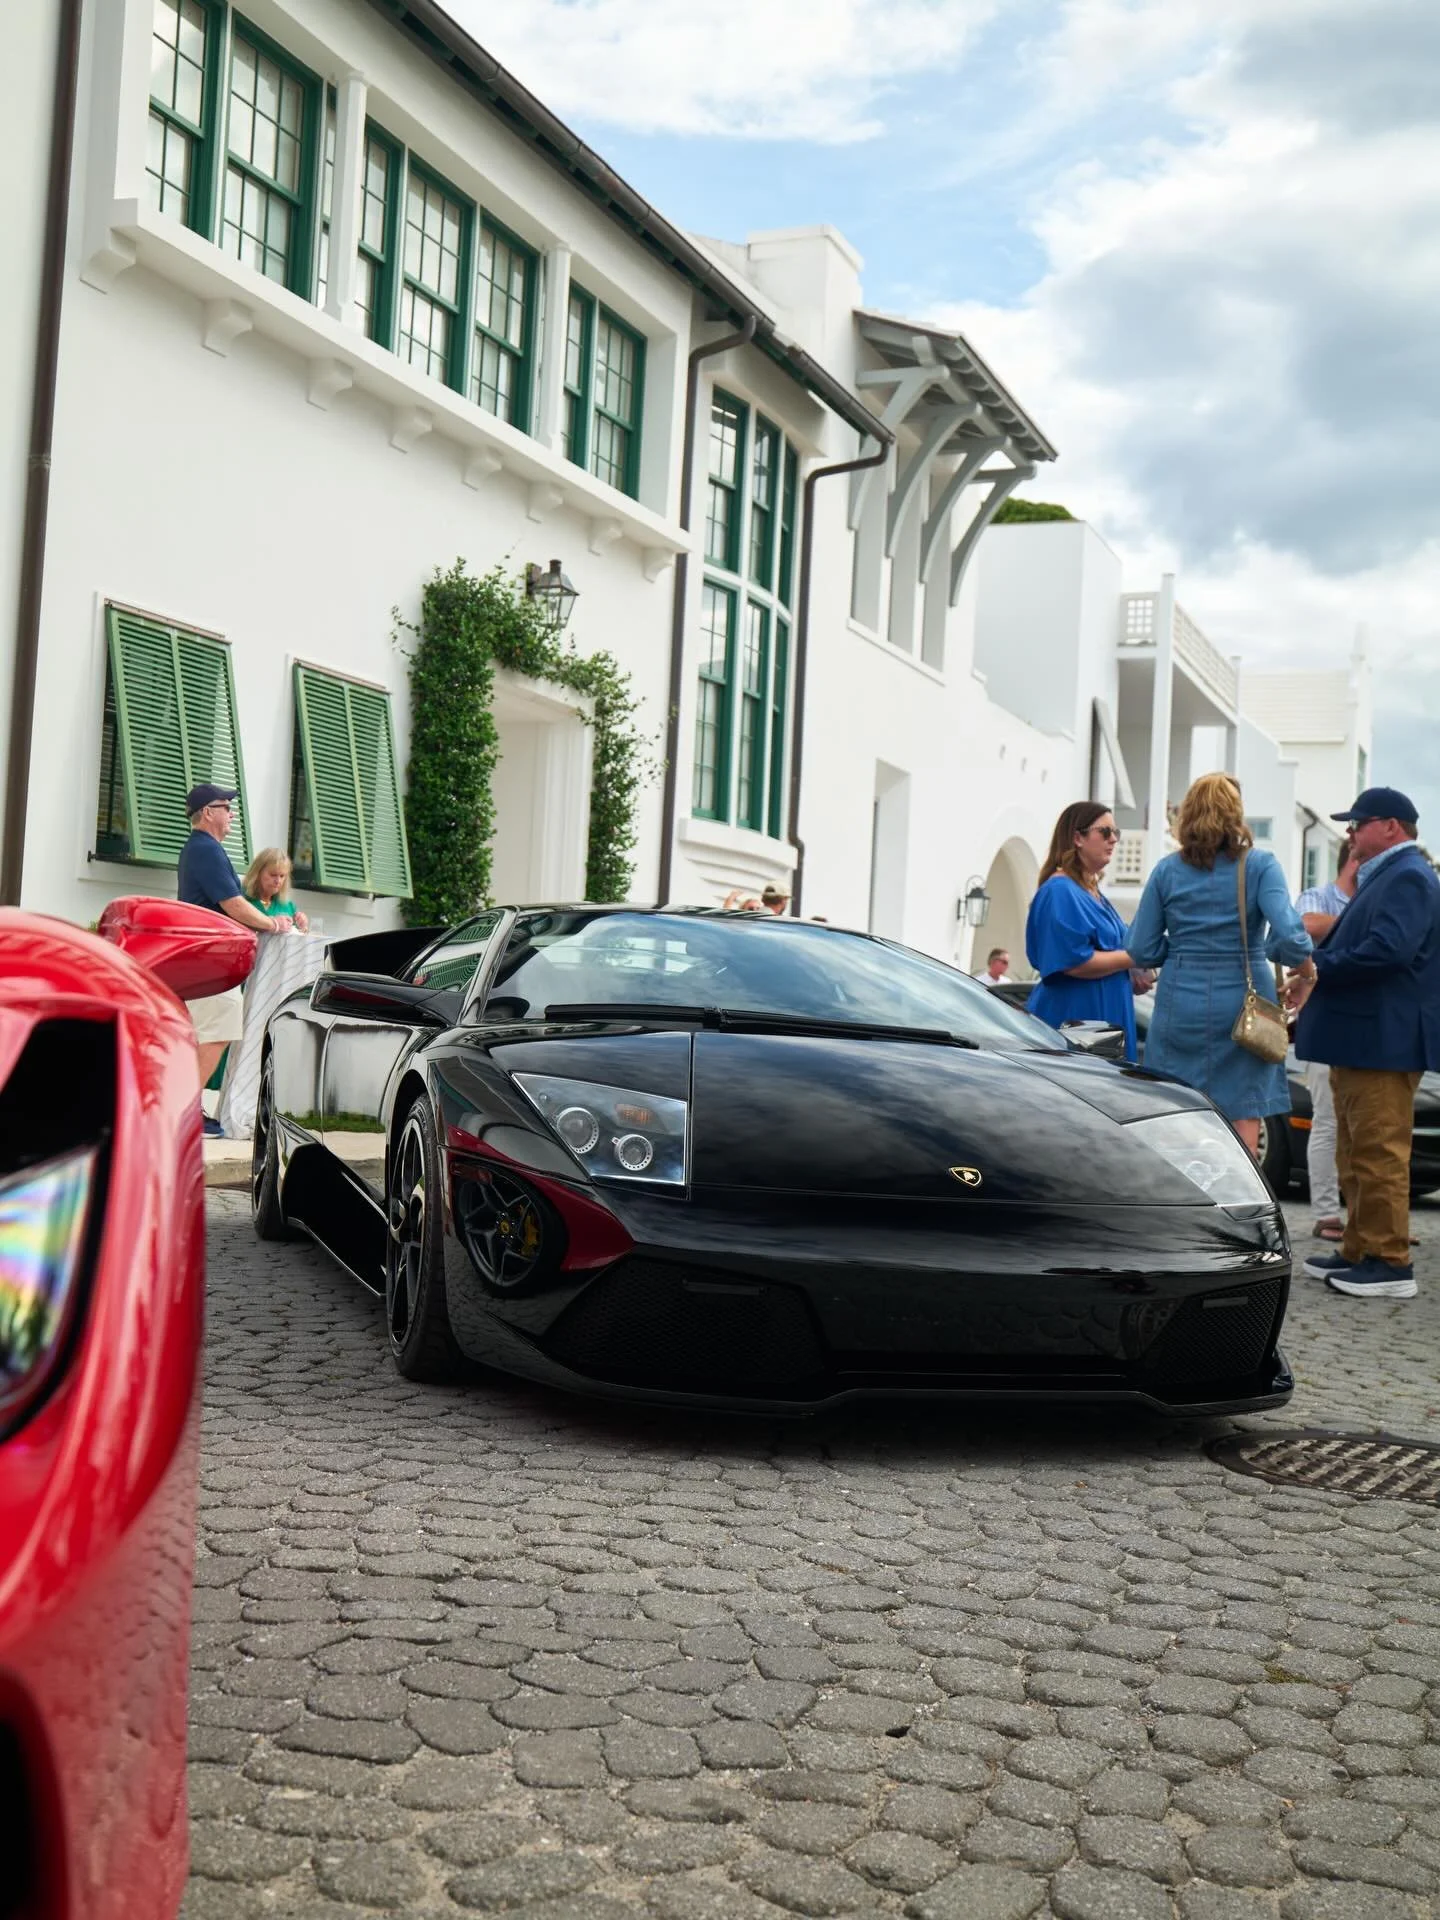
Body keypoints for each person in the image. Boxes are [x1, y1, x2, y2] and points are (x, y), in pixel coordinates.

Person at [1288, 788, 1440, 1300]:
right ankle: (1358, 1248)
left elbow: (1388, 952)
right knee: (1356, 1150)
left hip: (1384, 1039)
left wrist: (1318, 966)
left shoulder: (1409, 877)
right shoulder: (1393, 877)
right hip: (1366, 1038)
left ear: (1392, 826)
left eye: (1358, 822)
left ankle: (1390, 1261)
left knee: (1378, 1151)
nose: (1349, 832)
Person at [1127, 773, 1313, 1159]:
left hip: (1181, 1000)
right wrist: (1305, 972)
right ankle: (1238, 1207)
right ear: (1236, 815)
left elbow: (1141, 949)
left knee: (1178, 1108)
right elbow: (1292, 938)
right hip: (1247, 1001)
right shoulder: (1260, 866)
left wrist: (1181, 947)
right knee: (1244, 1110)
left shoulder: (1166, 871)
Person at [177, 784, 289, 1135]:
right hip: (209, 961)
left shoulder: (201, 849)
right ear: (208, 813)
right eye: (226, 807)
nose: (231, 814)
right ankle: (182, 1114)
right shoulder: (206, 850)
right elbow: (233, 903)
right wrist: (272, 923)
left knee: (202, 1034)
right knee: (219, 1031)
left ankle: (185, 1109)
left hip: (203, 958)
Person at [1026, 801, 1142, 1061]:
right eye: (1105, 832)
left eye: (1116, 833)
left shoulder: (1092, 893)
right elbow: (1074, 962)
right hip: (1080, 1023)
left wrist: (1135, 969)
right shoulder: (1060, 891)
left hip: (1104, 1022)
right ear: (1078, 837)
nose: (1113, 839)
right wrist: (1136, 957)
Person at [1293, 845, 1359, 1241]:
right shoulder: (1317, 895)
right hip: (1325, 1024)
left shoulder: (1373, 900)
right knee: (1328, 1121)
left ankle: (1370, 1215)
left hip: (1367, 1026)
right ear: (1354, 861)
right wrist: (1362, 924)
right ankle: (1326, 1214)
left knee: (1366, 1125)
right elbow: (1304, 924)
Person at [243, 847, 310, 932]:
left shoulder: (288, 906)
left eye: (282, 876)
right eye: (273, 875)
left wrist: (303, 926)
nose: (278, 881)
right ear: (257, 873)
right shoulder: (240, 899)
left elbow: (298, 939)